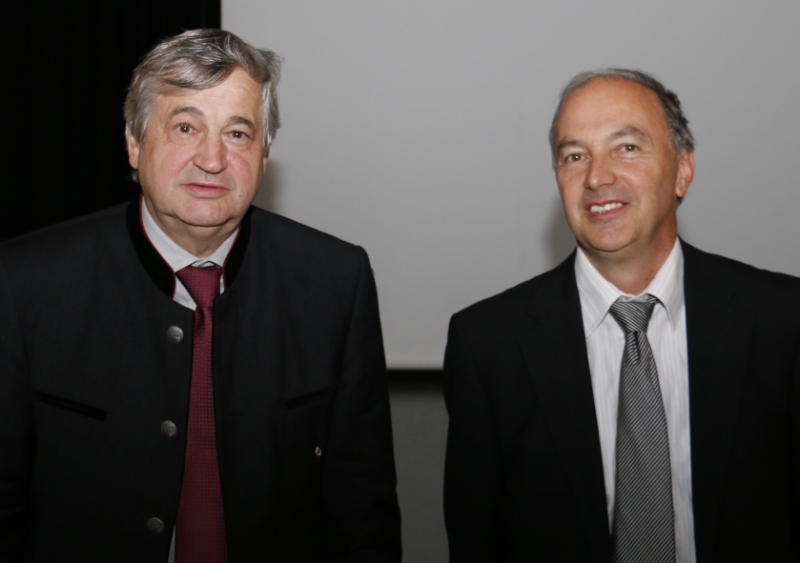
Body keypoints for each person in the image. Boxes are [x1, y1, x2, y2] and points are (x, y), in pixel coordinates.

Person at [0, 29, 401, 562]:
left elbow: (363, 506)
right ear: (135, 143)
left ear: (264, 156)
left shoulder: (336, 281)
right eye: (186, 127)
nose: (212, 159)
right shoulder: (25, 283)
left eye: (238, 133)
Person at [443, 68, 800, 561]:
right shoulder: (488, 345)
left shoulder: (782, 322)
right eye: (574, 156)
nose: (596, 177)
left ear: (683, 170)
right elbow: (478, 540)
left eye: (627, 148)